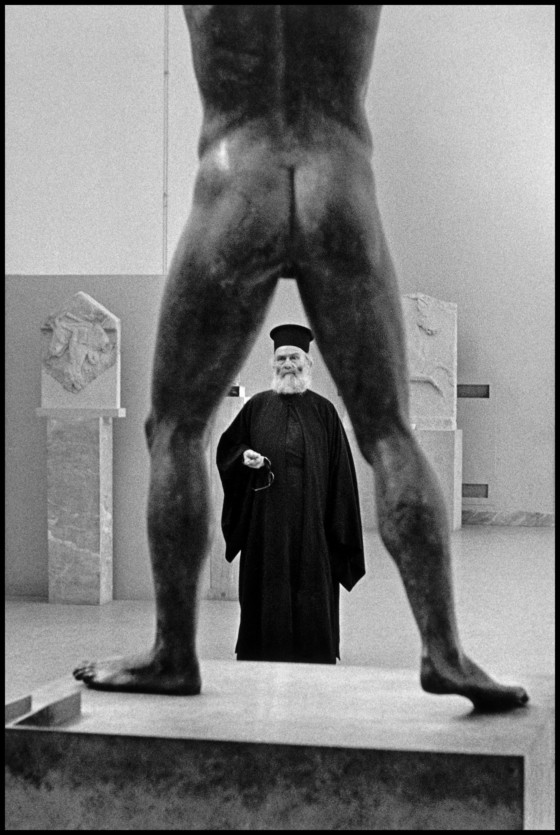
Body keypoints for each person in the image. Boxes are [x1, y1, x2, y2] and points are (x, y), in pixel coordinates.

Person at [74, 5, 529, 711]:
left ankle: (173, 652)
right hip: (339, 182)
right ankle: (444, 652)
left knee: (176, 429)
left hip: (237, 181)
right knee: (389, 433)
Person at [216, 324, 365, 664]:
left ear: (307, 363)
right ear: (273, 363)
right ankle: (263, 649)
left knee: (311, 586)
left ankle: (314, 651)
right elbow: (230, 448)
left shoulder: (324, 412)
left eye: (294, 358)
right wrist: (244, 457)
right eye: (281, 358)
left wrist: (339, 530)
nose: (287, 365)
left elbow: (341, 475)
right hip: (266, 526)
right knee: (267, 587)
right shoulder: (257, 407)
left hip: (314, 525)